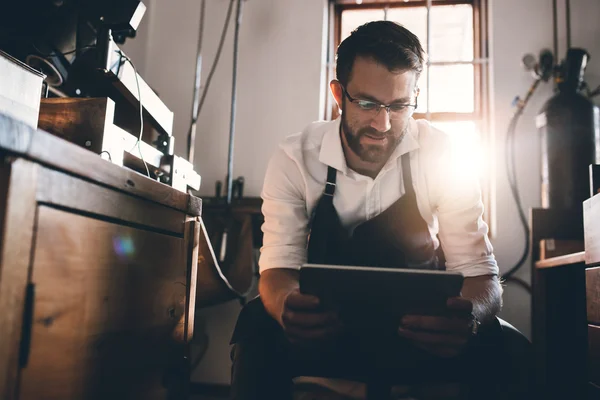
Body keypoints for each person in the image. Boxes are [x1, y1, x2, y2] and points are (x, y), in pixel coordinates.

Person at [229, 21, 532, 400]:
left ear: (415, 97)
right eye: (368, 104)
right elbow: (277, 270)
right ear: (339, 94)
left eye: (400, 105)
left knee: (512, 348)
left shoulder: (443, 156)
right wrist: (288, 305)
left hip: (420, 339)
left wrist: (468, 317)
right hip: (327, 337)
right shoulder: (295, 158)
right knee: (256, 323)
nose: (383, 123)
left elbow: (481, 277)